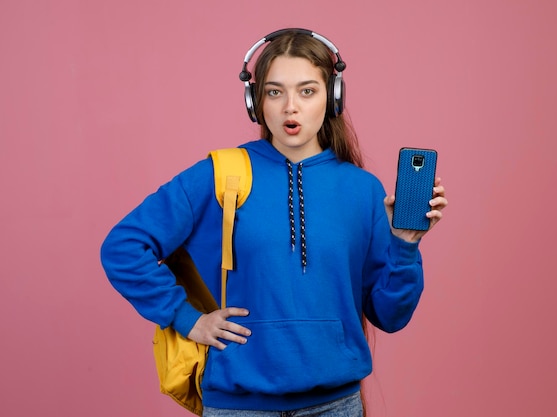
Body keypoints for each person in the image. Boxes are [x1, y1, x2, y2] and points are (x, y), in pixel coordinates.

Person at [101, 28, 447, 417]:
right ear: (256, 102)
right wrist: (187, 319)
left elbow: (390, 315)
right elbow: (123, 246)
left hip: (336, 405)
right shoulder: (218, 175)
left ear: (332, 97)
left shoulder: (363, 189)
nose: (290, 108)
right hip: (238, 406)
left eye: (307, 91)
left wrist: (404, 244)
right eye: (274, 91)